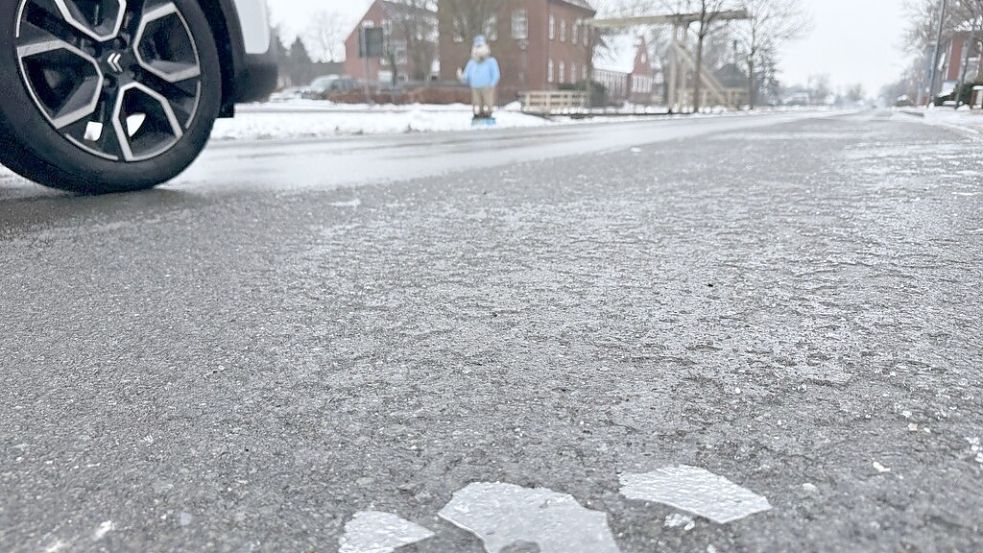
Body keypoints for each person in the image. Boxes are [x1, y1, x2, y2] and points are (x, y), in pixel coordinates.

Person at [458, 36, 501, 120]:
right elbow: (466, 75)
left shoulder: (491, 61)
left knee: (487, 102)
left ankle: (488, 114)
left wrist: (492, 84)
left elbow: (496, 74)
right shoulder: (472, 63)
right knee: (477, 103)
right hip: (475, 87)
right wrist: (462, 77)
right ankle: (477, 114)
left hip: (487, 87)